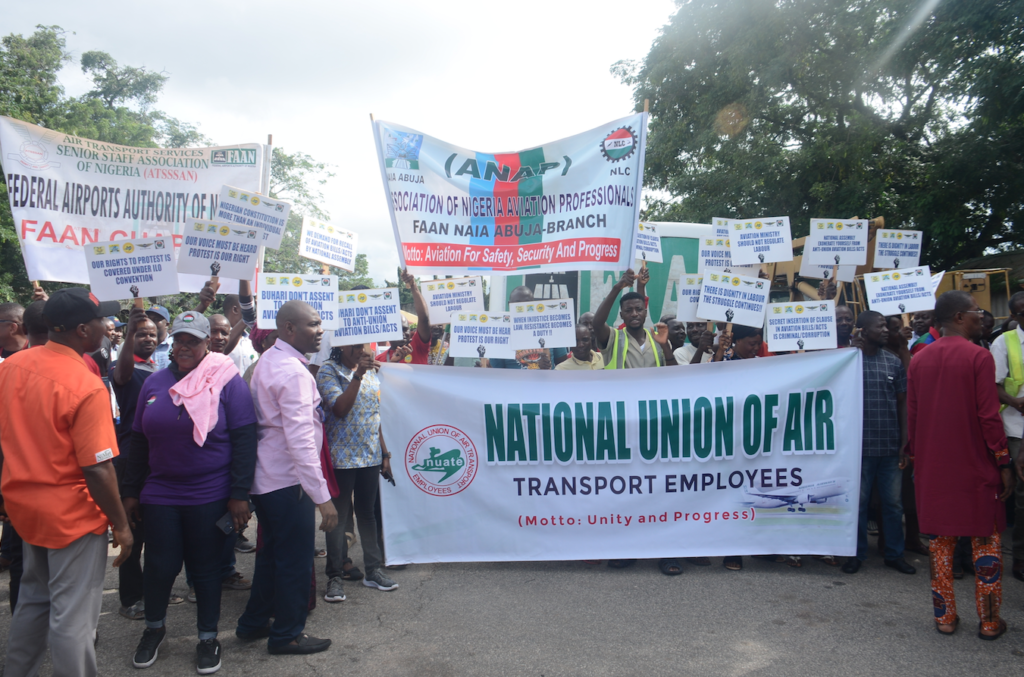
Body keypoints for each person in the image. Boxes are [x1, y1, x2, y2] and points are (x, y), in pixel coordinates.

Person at [0, 287, 133, 675]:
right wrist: (121, 526)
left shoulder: (10, 367)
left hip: (26, 508)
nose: (107, 328)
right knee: (73, 621)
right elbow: (97, 468)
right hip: (71, 516)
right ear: (81, 330)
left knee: (34, 601)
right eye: (100, 322)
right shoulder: (84, 383)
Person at [121, 311, 257, 673]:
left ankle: (208, 637)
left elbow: (245, 438)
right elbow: (137, 442)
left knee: (207, 569)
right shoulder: (154, 382)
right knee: (160, 566)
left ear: (206, 344)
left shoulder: (227, 380)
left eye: (192, 341)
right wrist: (130, 490)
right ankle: (154, 629)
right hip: (161, 491)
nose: (183, 346)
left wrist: (239, 493)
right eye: (179, 339)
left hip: (210, 492)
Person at [907, 291, 1018, 639]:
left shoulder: (920, 359)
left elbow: (913, 417)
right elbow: (988, 417)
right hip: (975, 467)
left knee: (941, 545)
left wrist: (917, 459)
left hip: (934, 467)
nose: (981, 318)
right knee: (985, 541)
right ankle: (988, 622)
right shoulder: (979, 357)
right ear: (958, 317)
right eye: (975, 312)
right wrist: (1003, 461)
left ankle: (945, 618)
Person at [236, 300, 338, 655]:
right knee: (294, 561)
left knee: (271, 555)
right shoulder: (293, 372)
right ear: (289, 329)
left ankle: (253, 623)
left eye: (320, 323)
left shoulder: (271, 361)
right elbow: (301, 441)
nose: (320, 330)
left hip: (269, 479)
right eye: (313, 324)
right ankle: (287, 635)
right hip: (288, 482)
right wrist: (322, 497)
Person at [317, 343, 398, 603]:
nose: (358, 349)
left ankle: (373, 571)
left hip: (369, 455)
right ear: (338, 347)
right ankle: (335, 575)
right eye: (352, 345)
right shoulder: (328, 371)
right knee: (338, 518)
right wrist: (357, 376)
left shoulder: (372, 371)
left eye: (361, 344)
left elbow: (375, 415)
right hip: (341, 458)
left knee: (368, 515)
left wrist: (384, 453)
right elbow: (340, 409)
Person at [842, 311, 915, 575]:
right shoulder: (848, 362)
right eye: (880, 326)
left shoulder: (893, 362)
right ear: (863, 330)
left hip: (889, 448)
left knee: (893, 504)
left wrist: (905, 443)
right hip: (858, 449)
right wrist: (850, 351)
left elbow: (903, 403)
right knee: (857, 505)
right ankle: (856, 554)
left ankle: (894, 554)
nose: (886, 330)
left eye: (886, 326)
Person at [110, 307, 161, 621]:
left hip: (154, 458)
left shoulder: (157, 368)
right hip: (130, 459)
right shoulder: (125, 367)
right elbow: (123, 371)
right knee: (132, 531)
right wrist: (130, 330)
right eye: (141, 334)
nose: (148, 338)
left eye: (153, 334)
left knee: (152, 529)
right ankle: (130, 598)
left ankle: (150, 592)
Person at [989, 291, 1024, 581]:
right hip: (1017, 429)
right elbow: (994, 386)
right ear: (1014, 316)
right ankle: (1020, 558)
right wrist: (1015, 403)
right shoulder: (1005, 342)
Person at [592, 269, 676, 370]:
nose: (634, 314)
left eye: (639, 309)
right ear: (621, 315)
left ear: (645, 313)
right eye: (628, 310)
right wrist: (617, 287)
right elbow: (597, 324)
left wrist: (665, 345)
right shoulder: (613, 338)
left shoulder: (658, 339)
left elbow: (674, 374)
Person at [489, 285, 569, 369]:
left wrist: (547, 367)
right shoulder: (502, 336)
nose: (522, 307)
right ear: (510, 305)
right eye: (517, 303)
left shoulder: (551, 331)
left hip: (545, 381)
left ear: (533, 304)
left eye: (527, 303)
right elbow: (496, 370)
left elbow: (562, 366)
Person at [146, 305, 173, 369]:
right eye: (149, 319)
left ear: (166, 324)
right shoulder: (141, 346)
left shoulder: (174, 345)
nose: (151, 323)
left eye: (156, 319)